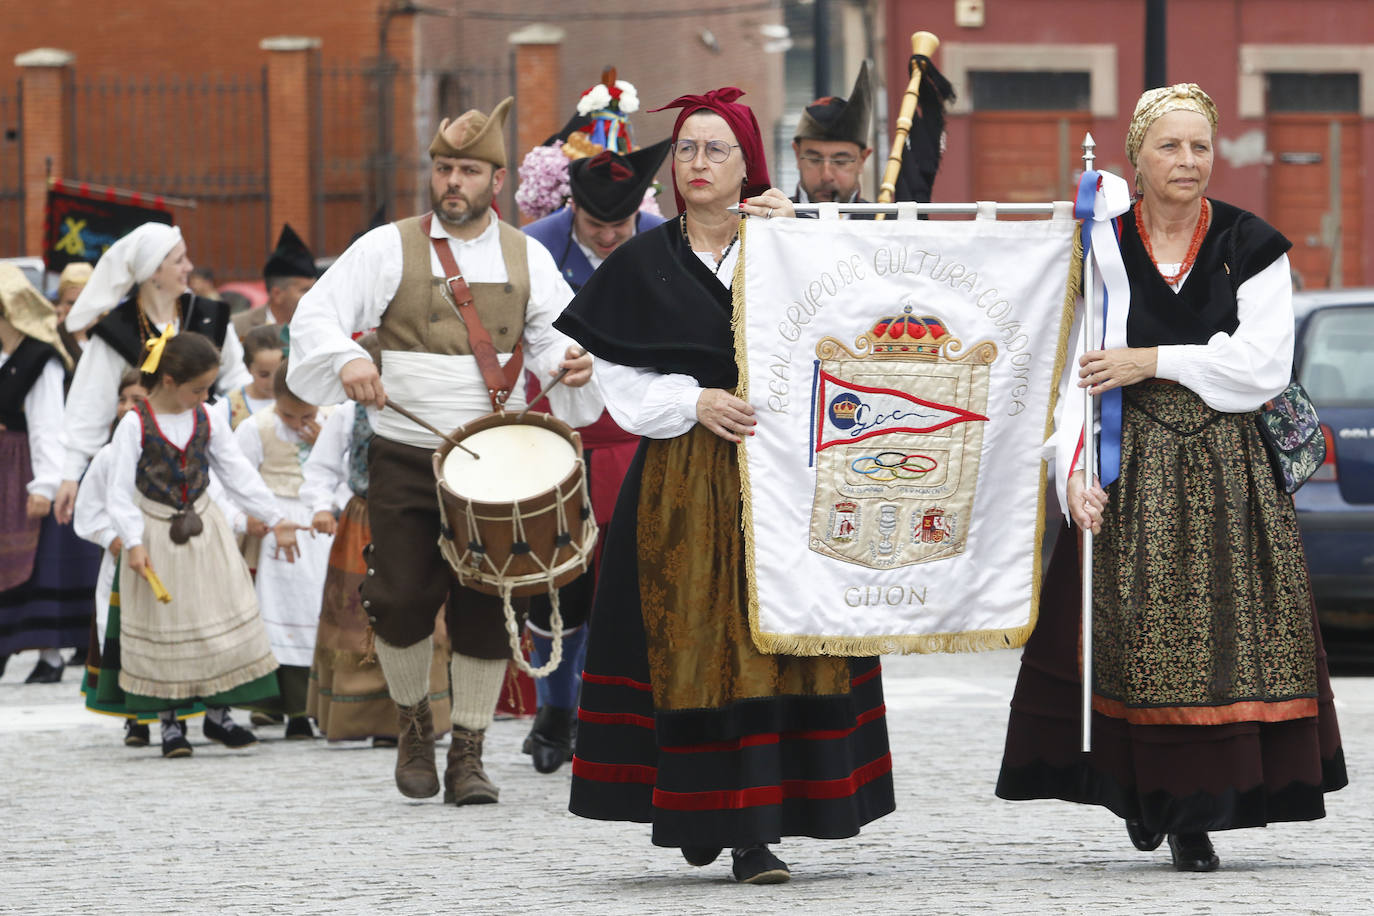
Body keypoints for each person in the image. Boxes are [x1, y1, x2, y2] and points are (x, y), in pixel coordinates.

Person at [995, 83, 1346, 872]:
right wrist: (1072, 472)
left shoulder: (1252, 245)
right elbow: (1073, 375)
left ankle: (1197, 811)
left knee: (1224, 642)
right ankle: (1145, 794)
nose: (1187, 162)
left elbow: (1261, 366)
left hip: (1228, 474)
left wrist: (1154, 359)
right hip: (1132, 469)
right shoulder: (1100, 246)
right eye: (1170, 147)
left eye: (1200, 147)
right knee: (1133, 642)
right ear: (1137, 157)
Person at [553, 86, 894, 885]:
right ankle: (704, 810)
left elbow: (859, 340)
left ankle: (754, 830)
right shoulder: (640, 260)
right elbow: (619, 382)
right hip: (684, 479)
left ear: (749, 167)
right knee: (696, 645)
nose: (696, 163)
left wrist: (803, 242)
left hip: (786, 475)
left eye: (715, 150)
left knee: (778, 644)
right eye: (685, 149)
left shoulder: (790, 246)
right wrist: (694, 400)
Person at [288, 97, 601, 806]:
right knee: (398, 601)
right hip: (404, 453)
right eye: (442, 169)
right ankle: (409, 726)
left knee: (484, 608)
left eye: (466, 170)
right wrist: (346, 360)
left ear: (494, 182)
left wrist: (571, 362)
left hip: (497, 462)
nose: (451, 182)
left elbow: (553, 336)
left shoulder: (527, 256)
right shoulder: (385, 246)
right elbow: (317, 317)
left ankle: (468, 753)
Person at [518, 137, 671, 773]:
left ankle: (608, 712)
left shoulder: (667, 240)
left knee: (625, 586)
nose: (610, 237)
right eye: (595, 225)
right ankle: (553, 706)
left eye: (622, 224)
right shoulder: (533, 247)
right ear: (570, 207)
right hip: (553, 435)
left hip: (635, 434)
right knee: (556, 581)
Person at [101, 332, 299, 757]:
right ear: (169, 381)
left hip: (206, 530)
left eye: (209, 386)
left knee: (215, 614)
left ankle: (218, 714)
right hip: (156, 530)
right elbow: (117, 492)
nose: (206, 395)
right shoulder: (136, 422)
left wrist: (277, 518)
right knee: (168, 621)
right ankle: (171, 723)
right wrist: (133, 541)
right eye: (198, 388)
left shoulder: (207, 417)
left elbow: (238, 475)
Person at [301, 336, 454, 747]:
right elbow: (321, 468)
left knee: (420, 610)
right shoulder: (348, 415)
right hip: (363, 521)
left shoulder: (431, 412)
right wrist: (320, 506)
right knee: (359, 617)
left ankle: (419, 712)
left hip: (419, 522)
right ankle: (365, 715)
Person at [53, 223, 250, 525]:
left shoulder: (208, 315)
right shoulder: (118, 329)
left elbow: (239, 384)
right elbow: (90, 403)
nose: (190, 267)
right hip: (142, 472)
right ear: (154, 272)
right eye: (179, 260)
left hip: (207, 466)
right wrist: (70, 473)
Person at [0, 265, 94, 684]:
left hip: (26, 466)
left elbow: (48, 426)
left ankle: (51, 655)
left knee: (36, 563)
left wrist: (44, 485)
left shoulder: (41, 358)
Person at [231, 362, 332, 739]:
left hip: (322, 524)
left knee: (322, 608)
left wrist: (324, 444)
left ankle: (325, 705)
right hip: (277, 525)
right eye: (288, 413)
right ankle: (290, 708)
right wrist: (251, 519)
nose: (296, 421)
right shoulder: (256, 428)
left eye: (305, 413)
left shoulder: (331, 422)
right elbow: (236, 479)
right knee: (282, 608)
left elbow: (345, 472)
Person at [790, 62, 875, 207]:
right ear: (797, 155)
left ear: (862, 159)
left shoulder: (885, 224)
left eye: (841, 161)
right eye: (814, 159)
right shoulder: (772, 225)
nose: (826, 176)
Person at [231, 224, 317, 340]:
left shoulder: (318, 327)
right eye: (304, 290)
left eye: (314, 289)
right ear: (277, 294)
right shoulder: (238, 327)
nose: (313, 296)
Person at [225, 325, 286, 429]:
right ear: (248, 368)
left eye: (281, 372)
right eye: (264, 375)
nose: (273, 382)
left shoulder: (304, 398)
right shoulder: (228, 407)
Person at [54, 262, 94, 366]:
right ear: (61, 303)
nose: (77, 309)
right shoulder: (54, 338)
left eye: (82, 302)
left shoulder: (108, 334)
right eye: (71, 303)